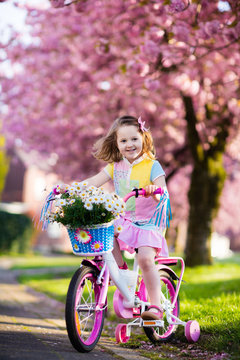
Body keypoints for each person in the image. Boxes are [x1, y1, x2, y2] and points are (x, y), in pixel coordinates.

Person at [85, 115, 170, 321]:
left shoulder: (152, 165)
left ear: (144, 138)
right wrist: (73, 188)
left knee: (145, 259)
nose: (129, 144)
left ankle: (156, 307)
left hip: (149, 223)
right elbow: (95, 181)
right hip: (126, 220)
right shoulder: (116, 166)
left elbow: (164, 194)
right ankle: (121, 270)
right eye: (123, 141)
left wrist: (154, 191)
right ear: (116, 143)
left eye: (134, 139)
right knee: (104, 233)